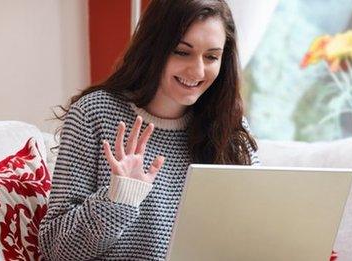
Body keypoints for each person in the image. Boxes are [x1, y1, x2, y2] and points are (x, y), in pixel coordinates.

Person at [38, 0, 259, 260]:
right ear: (155, 47)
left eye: (211, 57)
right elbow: (56, 249)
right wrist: (119, 198)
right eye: (182, 51)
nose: (198, 70)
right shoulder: (94, 114)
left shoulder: (230, 129)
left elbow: (248, 234)